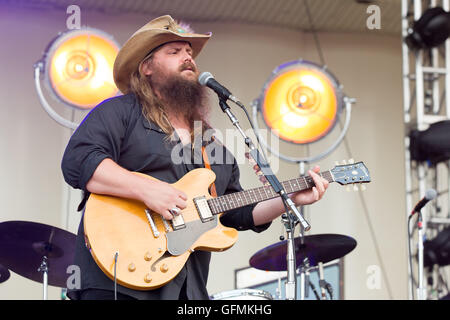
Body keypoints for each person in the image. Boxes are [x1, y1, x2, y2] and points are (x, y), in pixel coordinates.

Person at [61, 15, 329, 300]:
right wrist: (147, 189)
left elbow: (235, 213)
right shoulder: (120, 112)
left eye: (189, 52)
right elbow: (78, 160)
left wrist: (288, 198)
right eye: (174, 52)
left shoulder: (211, 144)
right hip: (116, 282)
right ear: (147, 67)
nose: (188, 57)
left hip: (186, 289)